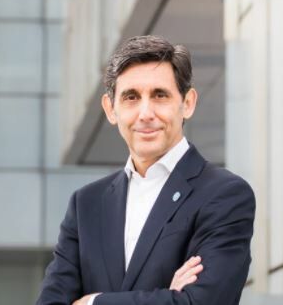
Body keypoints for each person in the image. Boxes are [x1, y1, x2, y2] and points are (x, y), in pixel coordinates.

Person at [36, 35, 255, 305]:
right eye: (131, 97)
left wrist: (92, 302)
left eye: (160, 95)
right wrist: (168, 297)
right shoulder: (86, 205)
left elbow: (201, 302)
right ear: (110, 109)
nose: (145, 113)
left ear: (187, 103)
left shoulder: (225, 195)